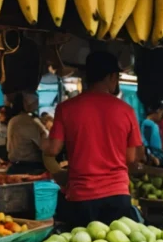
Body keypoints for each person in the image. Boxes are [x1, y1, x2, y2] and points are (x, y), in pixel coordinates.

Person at [44, 51, 141, 225]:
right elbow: (131, 158)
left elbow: (52, 150)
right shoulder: (127, 111)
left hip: (82, 196)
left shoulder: (66, 109)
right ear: (112, 76)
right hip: (118, 194)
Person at [7, 93, 48, 175]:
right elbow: (44, 146)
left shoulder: (13, 120)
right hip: (31, 168)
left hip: (15, 166)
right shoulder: (29, 121)